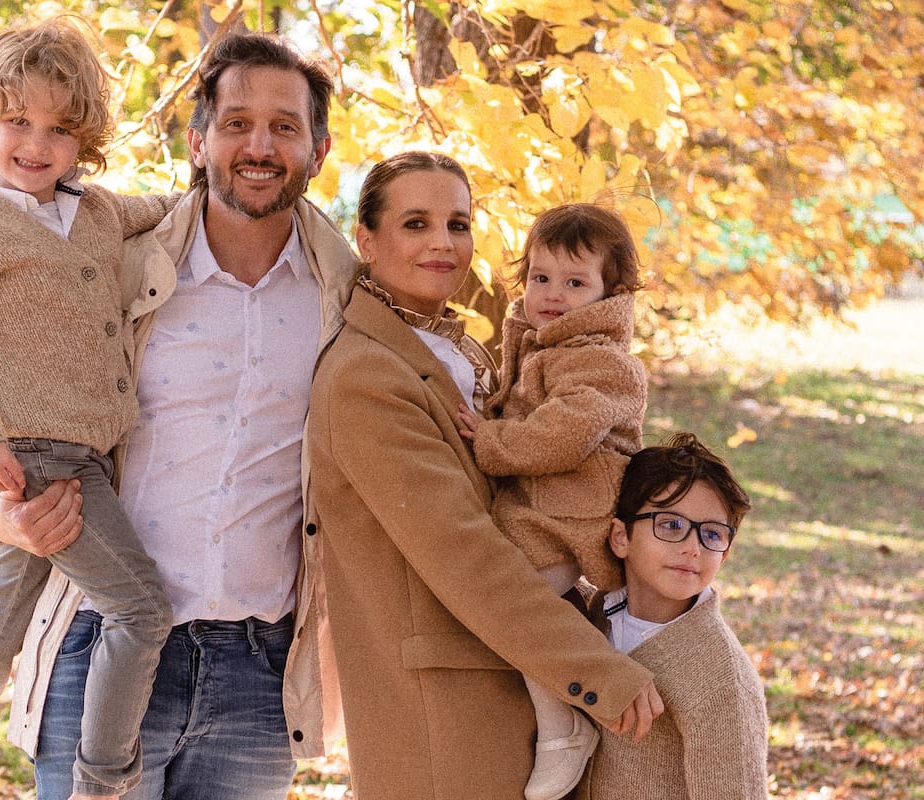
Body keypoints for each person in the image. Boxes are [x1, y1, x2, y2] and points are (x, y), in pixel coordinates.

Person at [0, 32, 357, 800]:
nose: (259, 145)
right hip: (97, 646)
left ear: (320, 148)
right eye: (236, 123)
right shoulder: (116, 263)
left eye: (285, 126)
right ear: (198, 142)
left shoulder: (348, 302)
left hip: (258, 678)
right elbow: (4, 412)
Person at [307, 151, 664, 800]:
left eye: (459, 223)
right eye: (415, 223)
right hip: (442, 703)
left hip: (502, 672)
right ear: (367, 240)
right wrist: (595, 673)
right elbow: (464, 553)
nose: (443, 242)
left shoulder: (461, 349)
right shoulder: (367, 376)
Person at [0, 17, 177, 800]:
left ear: (84, 139)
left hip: (88, 456)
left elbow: (158, 207)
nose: (36, 143)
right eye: (17, 120)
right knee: (142, 611)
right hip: (39, 460)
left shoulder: (90, 211)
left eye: (60, 128)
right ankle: (103, 779)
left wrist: (208, 191)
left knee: (0, 623)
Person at [455, 202, 648, 800]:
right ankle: (562, 704)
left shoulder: (603, 361)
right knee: (514, 607)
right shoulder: (541, 344)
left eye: (574, 282)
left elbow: (563, 433)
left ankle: (566, 723)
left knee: (522, 611)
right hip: (537, 513)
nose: (552, 295)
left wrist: (490, 440)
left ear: (609, 293)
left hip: (572, 518)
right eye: (540, 278)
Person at [575, 432, 769, 799]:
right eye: (671, 525)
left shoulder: (721, 679)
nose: (692, 548)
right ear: (621, 537)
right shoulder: (589, 616)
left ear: (724, 555)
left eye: (712, 534)